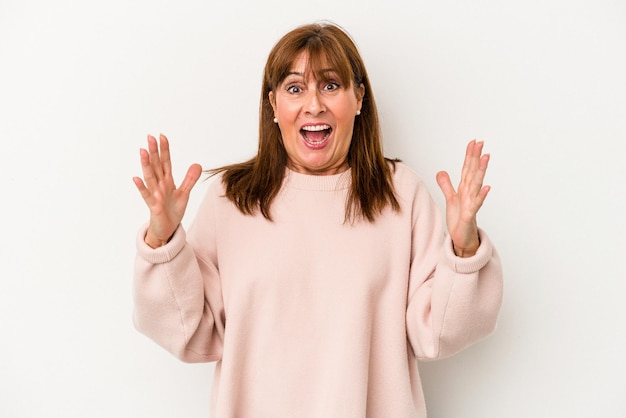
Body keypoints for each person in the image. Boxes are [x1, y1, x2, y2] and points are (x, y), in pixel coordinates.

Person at [132, 22, 503, 418]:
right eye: (295, 88)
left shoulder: (400, 194)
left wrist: (464, 251)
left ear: (358, 98)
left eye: (330, 85)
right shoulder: (232, 198)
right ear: (273, 104)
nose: (314, 105)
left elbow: (438, 334)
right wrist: (164, 240)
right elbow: (192, 334)